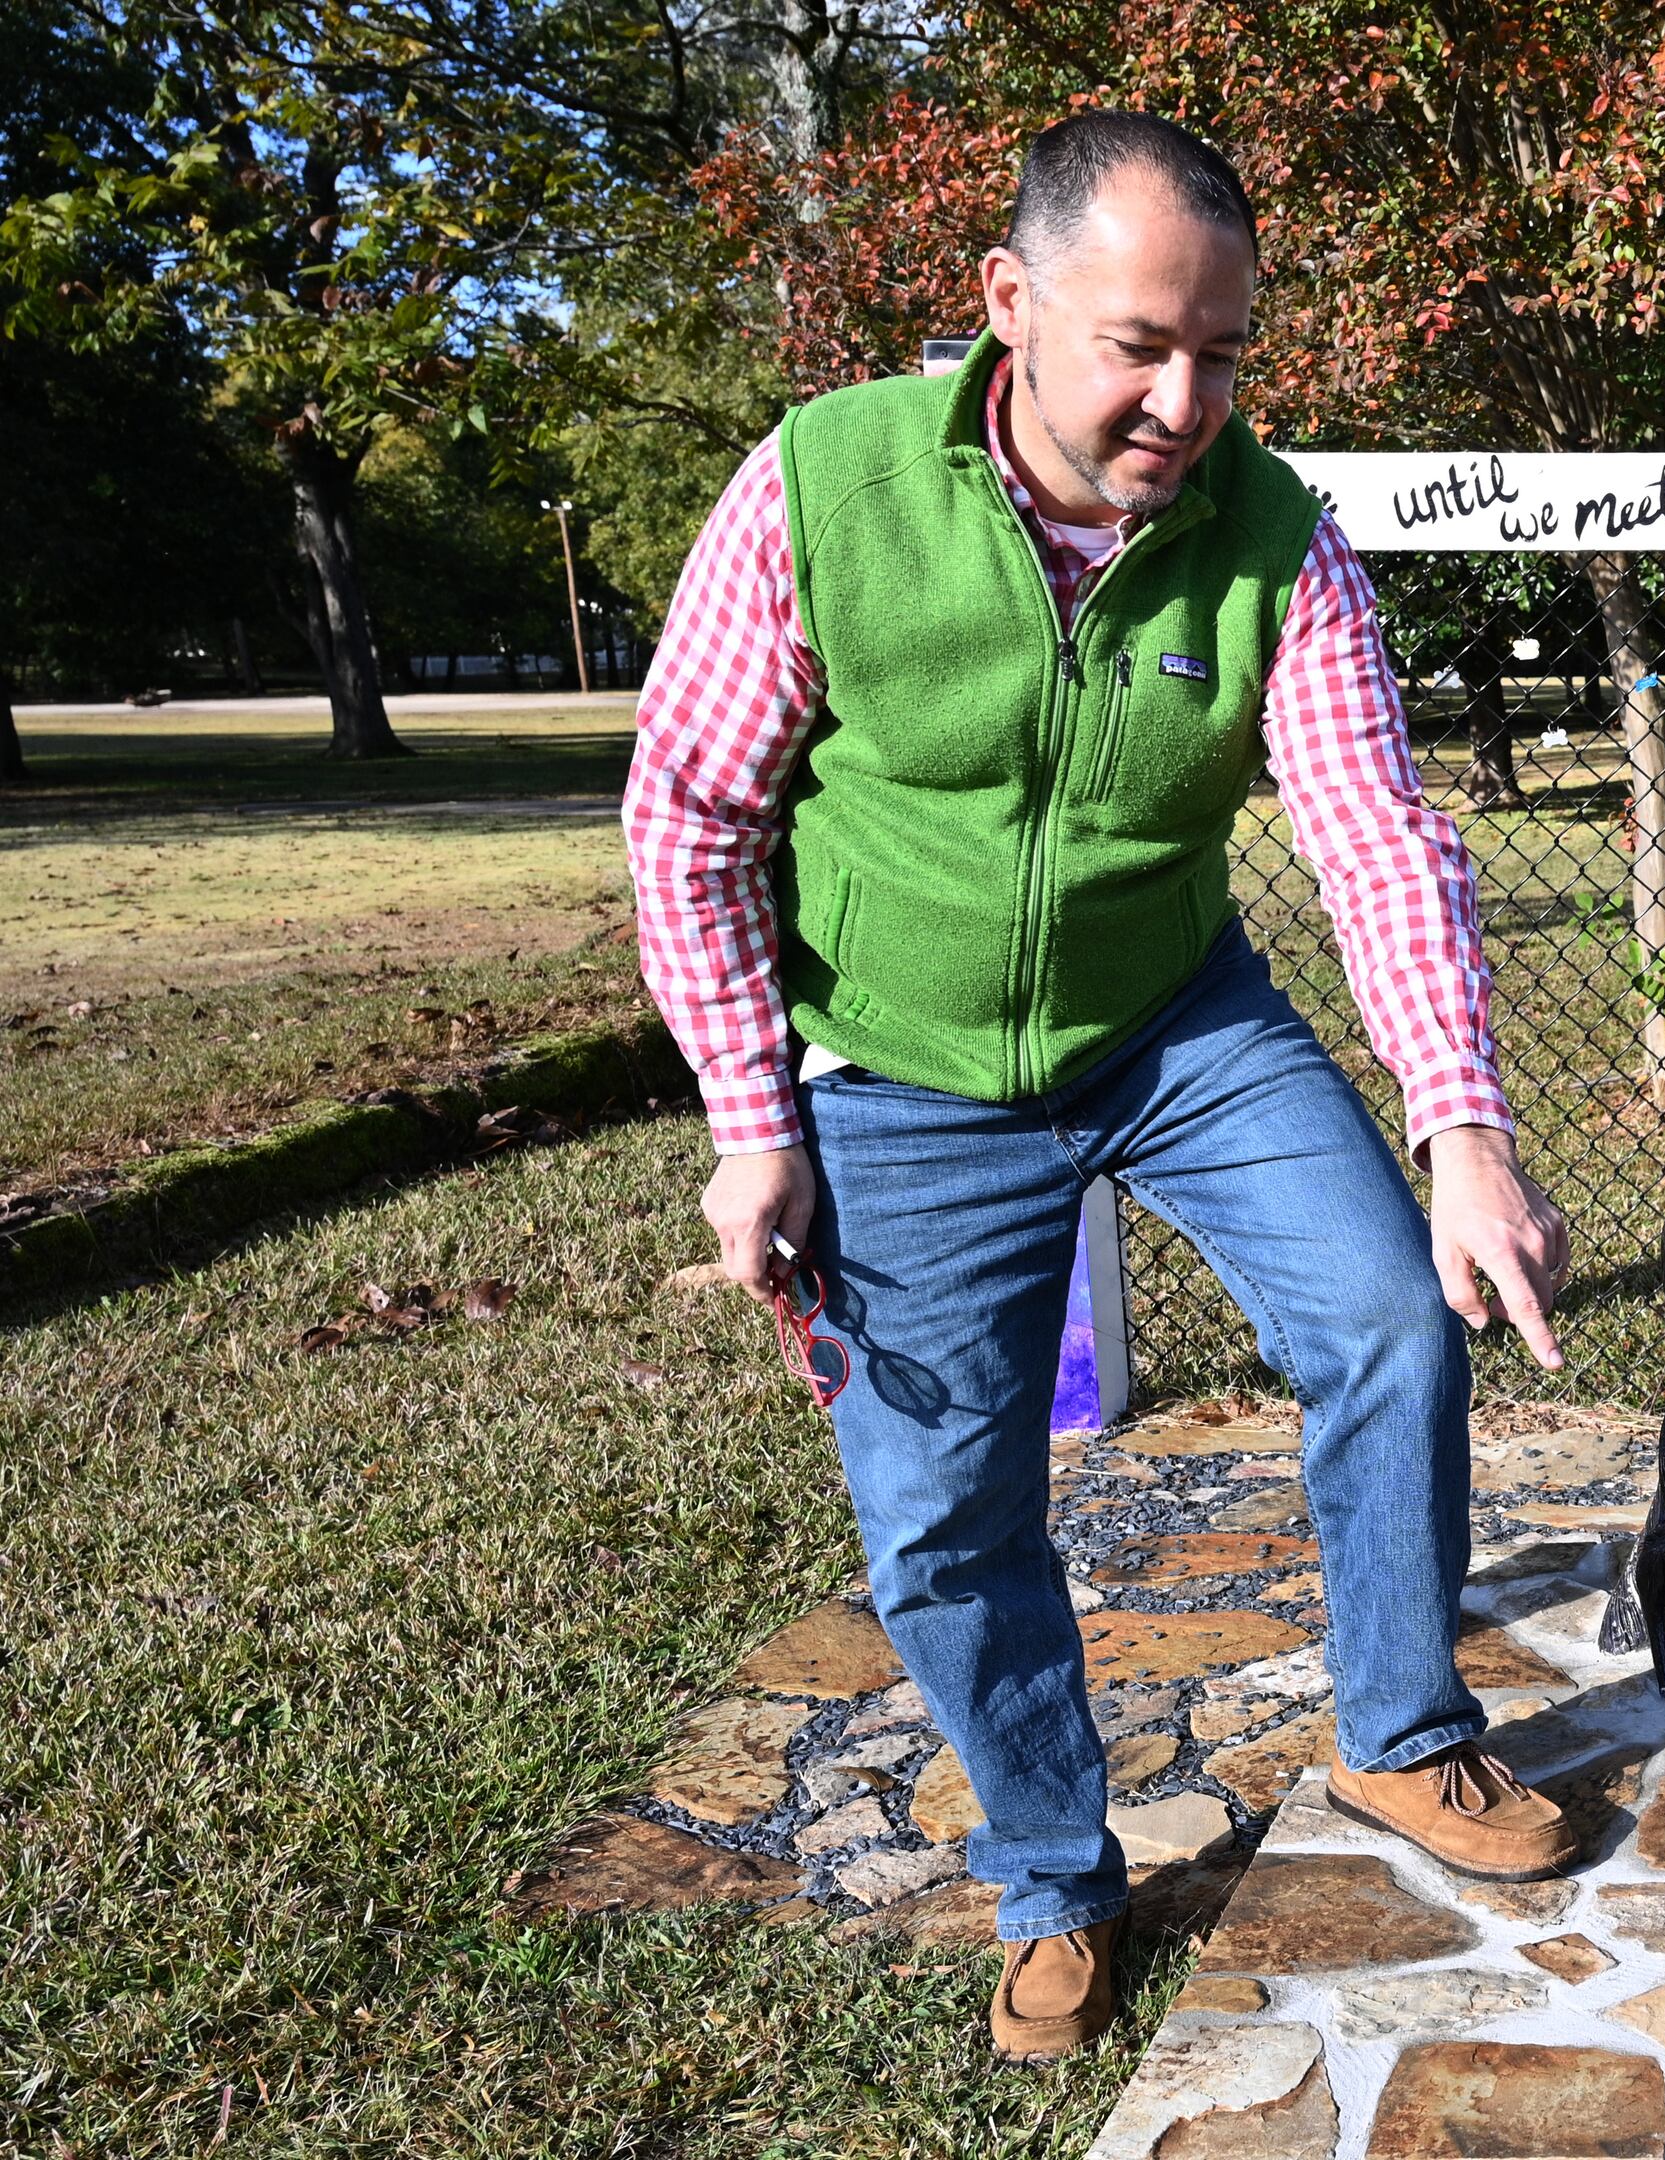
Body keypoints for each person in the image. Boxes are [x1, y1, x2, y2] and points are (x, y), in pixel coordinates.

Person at [622, 110, 1584, 2065]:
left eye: (1223, 354)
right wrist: (750, 1120)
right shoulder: (822, 488)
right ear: (1010, 302)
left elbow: (1375, 836)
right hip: (896, 1068)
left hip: (1175, 1021)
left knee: (1392, 1315)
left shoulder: (1272, 535)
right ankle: (1057, 1878)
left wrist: (1464, 1131)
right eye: (1140, 345)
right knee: (943, 1512)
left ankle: (1402, 1731)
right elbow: (692, 814)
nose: (1183, 404)